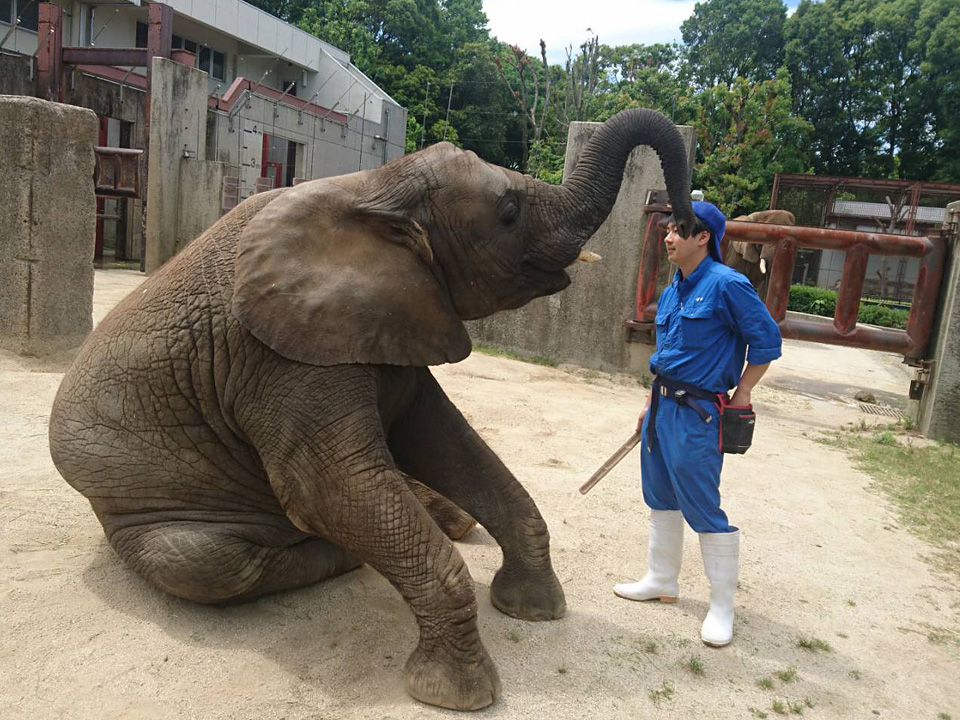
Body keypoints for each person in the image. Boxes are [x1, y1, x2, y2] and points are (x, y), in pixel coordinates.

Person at [613, 200, 782, 648]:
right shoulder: (673, 290)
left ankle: (722, 608)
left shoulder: (729, 285)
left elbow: (766, 342)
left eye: (678, 230)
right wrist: (650, 403)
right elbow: (666, 356)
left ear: (703, 237)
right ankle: (661, 579)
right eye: (667, 229)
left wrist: (743, 393)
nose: (667, 237)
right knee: (661, 497)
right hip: (663, 406)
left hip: (699, 412)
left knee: (704, 507)